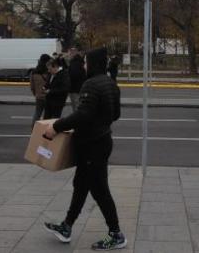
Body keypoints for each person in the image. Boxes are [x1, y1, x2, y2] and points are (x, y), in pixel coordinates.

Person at [43, 47, 126, 250]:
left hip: (93, 145)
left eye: (87, 62)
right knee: (81, 185)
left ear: (94, 63)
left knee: (99, 190)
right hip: (102, 140)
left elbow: (83, 115)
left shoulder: (91, 84)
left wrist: (56, 126)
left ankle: (116, 234)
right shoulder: (110, 83)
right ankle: (67, 226)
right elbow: (116, 114)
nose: (85, 65)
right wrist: (101, 121)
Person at [29, 54, 51, 128]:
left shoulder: (34, 72)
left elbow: (32, 86)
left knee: (37, 113)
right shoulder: (49, 72)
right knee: (47, 115)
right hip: (48, 96)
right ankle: (45, 129)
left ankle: (34, 129)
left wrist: (36, 94)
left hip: (39, 97)